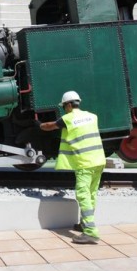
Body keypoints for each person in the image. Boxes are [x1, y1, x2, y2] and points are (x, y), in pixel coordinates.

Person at [39, 90, 106, 244]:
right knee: (91, 194)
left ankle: (91, 232)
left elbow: (50, 126)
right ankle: (84, 224)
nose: (64, 109)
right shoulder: (92, 116)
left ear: (68, 105)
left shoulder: (68, 119)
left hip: (85, 163)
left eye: (64, 106)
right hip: (99, 160)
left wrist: (38, 125)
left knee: (82, 195)